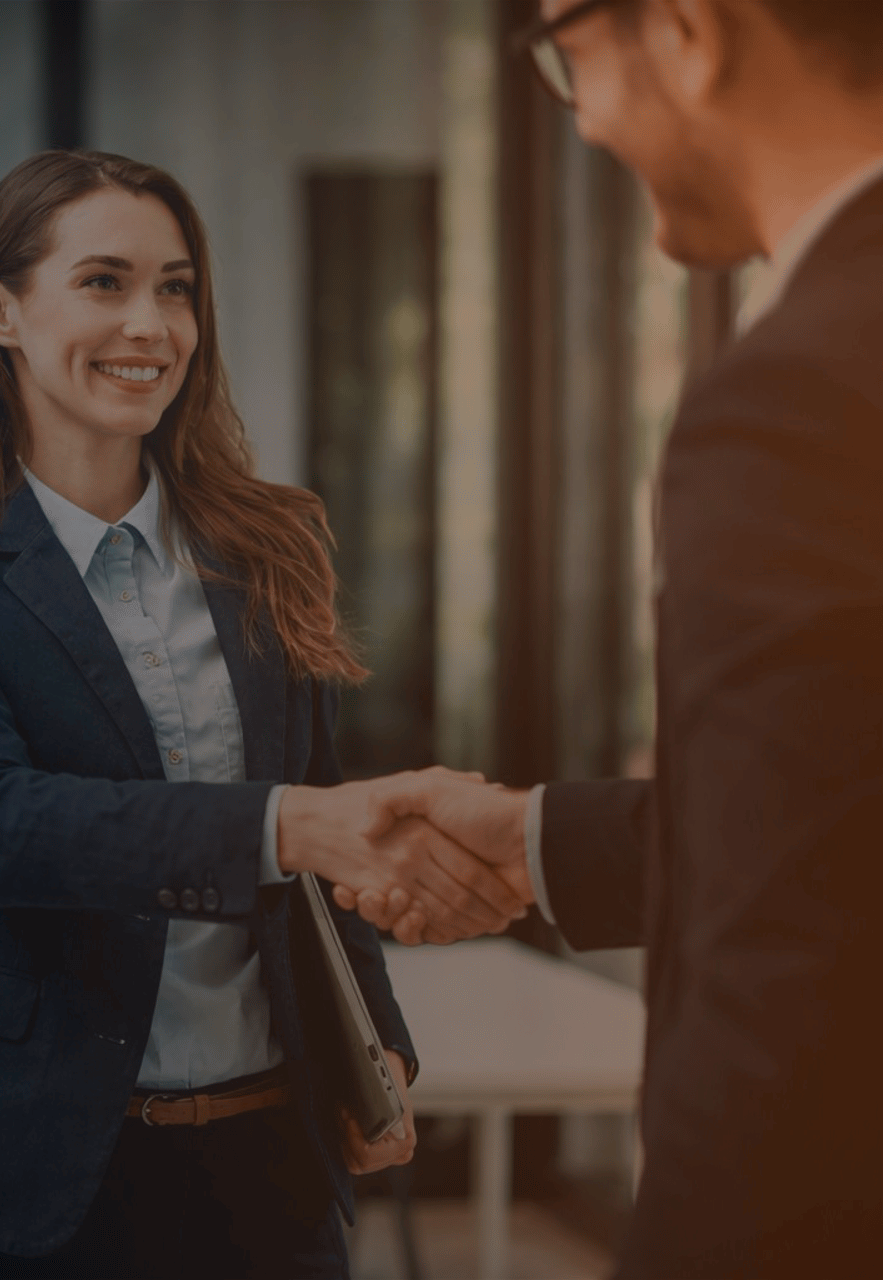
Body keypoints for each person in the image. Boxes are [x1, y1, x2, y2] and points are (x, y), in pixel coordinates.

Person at [0, 148, 526, 1279]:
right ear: (1, 311)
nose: (150, 323)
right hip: (14, 1163)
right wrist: (286, 822)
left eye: (177, 287)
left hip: (264, 1168)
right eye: (104, 281)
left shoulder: (268, 542)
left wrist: (373, 1045)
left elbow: (324, 858)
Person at [343, 2, 883, 1276]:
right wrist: (538, 842)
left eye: (564, 56)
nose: (576, 114)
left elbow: (783, 975)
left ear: (691, 31)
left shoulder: (799, 393)